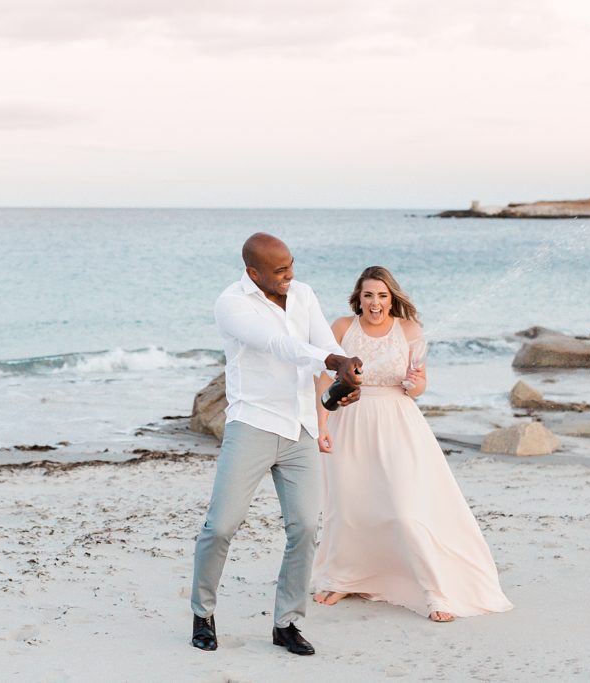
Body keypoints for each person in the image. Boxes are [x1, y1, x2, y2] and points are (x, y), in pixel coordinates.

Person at [190, 233, 364, 656]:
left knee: (304, 527)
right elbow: (278, 344)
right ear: (253, 272)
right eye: (280, 270)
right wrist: (330, 361)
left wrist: (345, 377)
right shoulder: (232, 303)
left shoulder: (303, 294)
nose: (291, 275)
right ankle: (202, 613)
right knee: (222, 526)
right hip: (253, 423)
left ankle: (286, 623)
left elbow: (326, 345)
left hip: (301, 427)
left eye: (291, 265)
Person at [311, 266, 512, 622]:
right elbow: (322, 378)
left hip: (398, 422)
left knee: (406, 510)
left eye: (382, 296)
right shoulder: (342, 327)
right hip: (350, 421)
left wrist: (413, 383)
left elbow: (419, 387)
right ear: (358, 297)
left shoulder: (409, 330)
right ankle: (346, 577)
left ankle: (435, 591)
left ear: (393, 298)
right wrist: (322, 424)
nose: (375, 303)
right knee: (348, 505)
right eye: (369, 295)